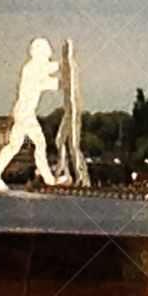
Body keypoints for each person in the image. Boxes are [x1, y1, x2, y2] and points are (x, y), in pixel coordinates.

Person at [0, 37, 59, 191]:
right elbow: (48, 79)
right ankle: (47, 177)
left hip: (23, 111)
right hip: (25, 112)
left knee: (14, 146)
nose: (48, 55)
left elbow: (49, 71)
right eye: (45, 52)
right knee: (39, 142)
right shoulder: (32, 68)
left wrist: (63, 70)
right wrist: (65, 69)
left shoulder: (34, 67)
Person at [53, 39, 90, 186]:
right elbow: (63, 85)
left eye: (66, 50)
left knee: (74, 145)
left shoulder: (71, 66)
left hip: (74, 109)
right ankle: (65, 173)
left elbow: (71, 87)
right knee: (59, 140)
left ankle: (83, 178)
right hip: (68, 110)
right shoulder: (65, 67)